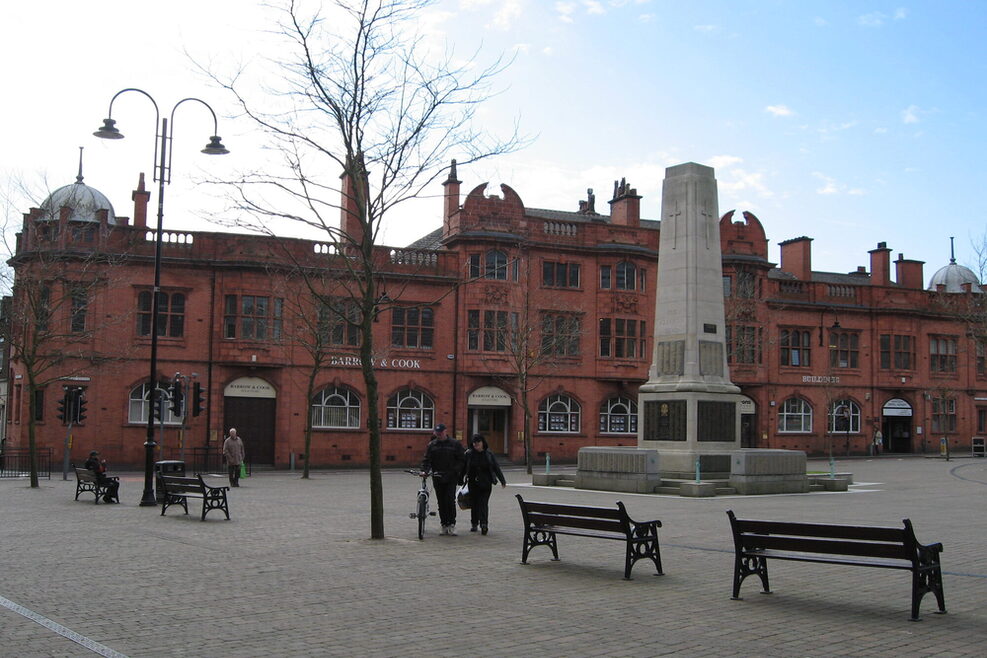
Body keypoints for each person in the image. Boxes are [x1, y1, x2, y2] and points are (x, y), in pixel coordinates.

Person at [421, 423, 465, 535]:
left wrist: (455, 470)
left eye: (440, 433)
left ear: (445, 432)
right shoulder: (432, 445)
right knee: (441, 502)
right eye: (437, 434)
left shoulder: (455, 444)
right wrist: (425, 471)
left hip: (451, 477)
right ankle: (444, 524)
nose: (439, 435)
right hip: (437, 476)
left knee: (450, 500)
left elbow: (462, 459)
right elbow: (427, 460)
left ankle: (452, 524)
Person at [461, 434, 506, 535]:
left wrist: (502, 480)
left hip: (486, 482)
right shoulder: (469, 454)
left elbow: (495, 467)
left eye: (478, 443)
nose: (476, 445)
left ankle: (484, 524)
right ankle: (474, 523)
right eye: (474, 444)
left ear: (482, 443)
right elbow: (464, 468)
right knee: (474, 503)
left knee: (483, 503)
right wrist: (460, 479)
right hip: (473, 482)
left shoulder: (488, 453)